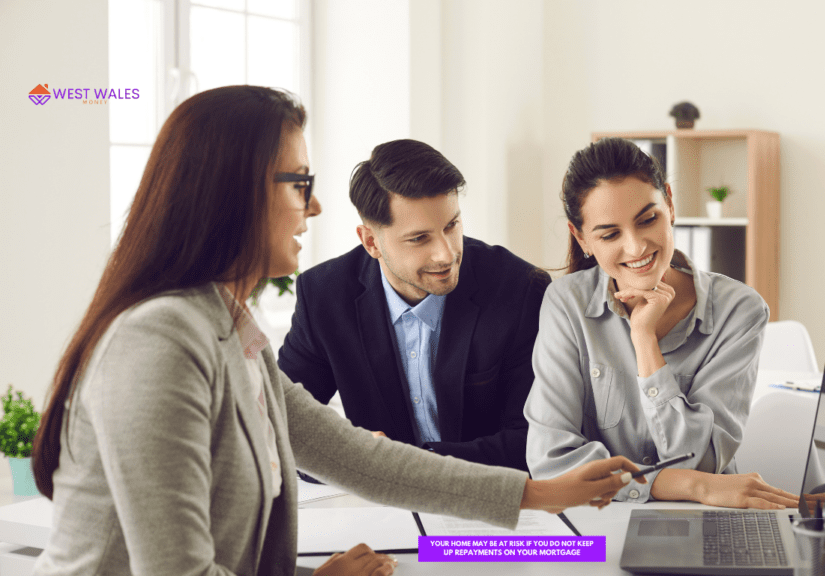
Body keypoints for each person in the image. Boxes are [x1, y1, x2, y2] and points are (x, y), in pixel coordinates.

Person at [30, 86, 642, 576]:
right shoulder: (159, 341)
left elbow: (352, 455)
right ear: (232, 196)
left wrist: (539, 495)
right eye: (299, 185)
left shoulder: (228, 327)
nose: (315, 207)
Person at [524, 137, 799, 509]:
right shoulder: (566, 303)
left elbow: (703, 461)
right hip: (602, 520)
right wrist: (690, 485)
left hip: (705, 519)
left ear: (669, 203)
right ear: (581, 238)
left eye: (648, 219)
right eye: (610, 234)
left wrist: (644, 341)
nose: (636, 247)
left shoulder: (740, 310)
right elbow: (552, 463)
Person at [277, 139, 549, 472]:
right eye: (419, 238)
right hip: (380, 508)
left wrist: (399, 465)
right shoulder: (324, 297)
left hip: (495, 502)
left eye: (451, 226)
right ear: (371, 242)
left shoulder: (519, 288)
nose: (446, 254)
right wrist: (353, 457)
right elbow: (281, 427)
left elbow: (534, 441)